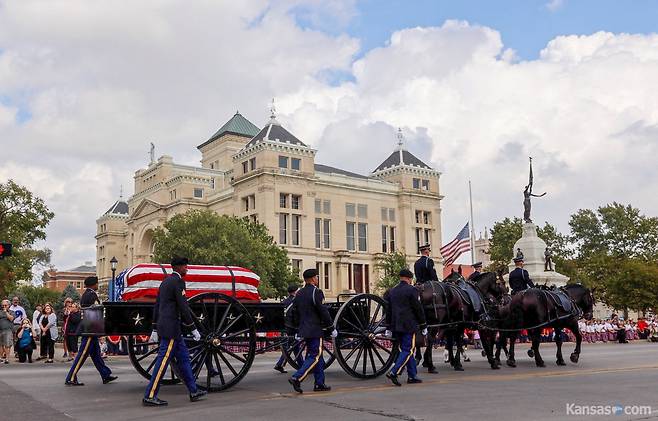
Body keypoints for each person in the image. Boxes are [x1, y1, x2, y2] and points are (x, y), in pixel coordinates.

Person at [143, 257, 206, 406]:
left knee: (184, 360)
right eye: (185, 267)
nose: (187, 269)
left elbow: (157, 305)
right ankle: (150, 395)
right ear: (178, 267)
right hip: (171, 328)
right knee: (163, 361)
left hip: (171, 328)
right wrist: (193, 328)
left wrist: (154, 326)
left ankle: (193, 390)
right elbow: (183, 306)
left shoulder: (165, 282)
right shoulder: (178, 282)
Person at [287, 269, 336, 394]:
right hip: (315, 329)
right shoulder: (316, 292)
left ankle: (319, 383)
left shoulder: (299, 293)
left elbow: (295, 312)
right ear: (314, 278)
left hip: (304, 329)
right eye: (317, 277)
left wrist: (297, 328)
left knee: (318, 357)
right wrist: (331, 327)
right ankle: (297, 377)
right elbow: (323, 311)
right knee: (314, 355)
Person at [65, 276, 117, 386]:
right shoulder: (92, 294)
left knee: (96, 355)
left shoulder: (86, 294)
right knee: (82, 354)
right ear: (93, 285)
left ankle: (105, 375)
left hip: (91, 326)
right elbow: (95, 309)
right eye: (97, 283)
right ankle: (71, 377)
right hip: (91, 327)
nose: (97, 285)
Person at [384, 268, 427, 386]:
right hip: (409, 325)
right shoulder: (412, 290)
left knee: (407, 351)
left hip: (396, 326)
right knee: (408, 350)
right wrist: (423, 324)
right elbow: (418, 309)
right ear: (409, 279)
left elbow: (389, 310)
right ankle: (394, 372)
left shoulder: (392, 291)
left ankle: (412, 375)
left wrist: (388, 327)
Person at [274, 284, 301, 374]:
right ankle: (302, 365)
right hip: (292, 326)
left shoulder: (285, 301)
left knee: (292, 345)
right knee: (295, 345)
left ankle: (280, 364)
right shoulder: (295, 301)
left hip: (286, 325)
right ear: (295, 292)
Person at [0, 299, 15, 364]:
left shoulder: (12, 312)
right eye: (2, 305)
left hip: (8, 331)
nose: (4, 306)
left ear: (9, 305)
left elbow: (11, 318)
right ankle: (0, 358)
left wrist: (6, 312)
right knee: (0, 345)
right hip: (0, 330)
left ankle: (7, 359)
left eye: (5, 305)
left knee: (7, 345)